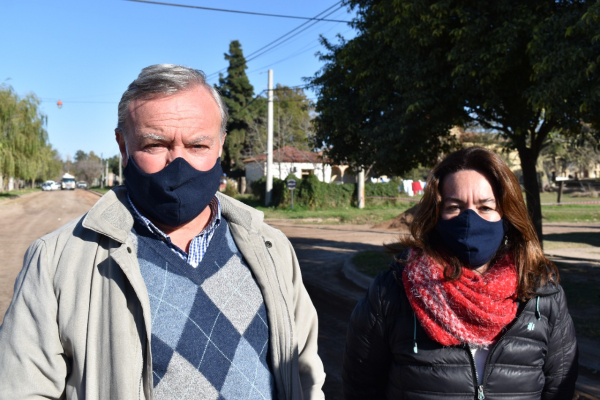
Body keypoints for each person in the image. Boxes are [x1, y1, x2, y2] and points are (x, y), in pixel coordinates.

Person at [0, 64, 325, 399]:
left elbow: (305, 374)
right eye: (156, 145)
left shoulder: (272, 249)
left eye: (198, 146)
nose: (179, 165)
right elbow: (21, 388)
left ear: (220, 146)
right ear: (123, 147)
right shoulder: (58, 260)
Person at [342, 147, 578, 399]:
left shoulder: (542, 296)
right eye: (454, 207)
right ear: (436, 214)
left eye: (485, 207)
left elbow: (559, 391)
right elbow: (361, 388)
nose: (469, 220)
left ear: (507, 217)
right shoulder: (392, 292)